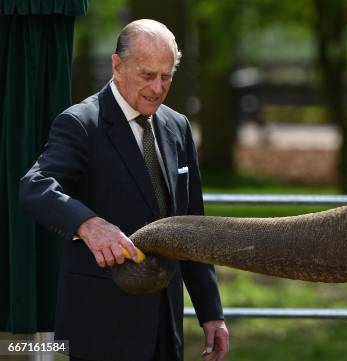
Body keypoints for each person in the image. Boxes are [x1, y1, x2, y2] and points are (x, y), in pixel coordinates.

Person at [19, 19, 229, 361]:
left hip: (166, 326)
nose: (158, 88)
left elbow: (193, 226)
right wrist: (88, 225)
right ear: (117, 66)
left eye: (167, 76)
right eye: (148, 75)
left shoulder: (178, 126)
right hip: (101, 328)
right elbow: (36, 186)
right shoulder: (80, 123)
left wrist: (211, 313)